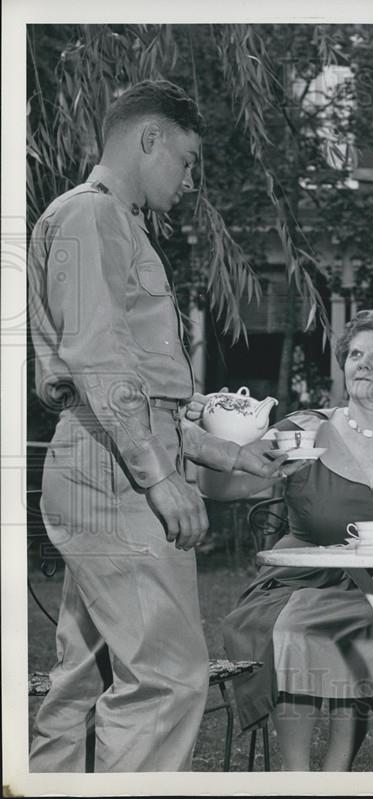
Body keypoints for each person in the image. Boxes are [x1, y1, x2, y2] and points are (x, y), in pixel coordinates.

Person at [26, 80, 284, 772]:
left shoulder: (105, 221)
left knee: (82, 677)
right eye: (188, 159)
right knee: (166, 681)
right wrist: (161, 478)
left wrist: (232, 457)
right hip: (115, 476)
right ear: (149, 140)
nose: (190, 178)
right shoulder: (91, 218)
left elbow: (142, 399)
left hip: (102, 462)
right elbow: (102, 365)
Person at [210, 310, 373, 771]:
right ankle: (296, 770)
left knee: (365, 623)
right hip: (294, 584)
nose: (362, 363)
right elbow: (219, 490)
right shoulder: (303, 430)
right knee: (305, 625)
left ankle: (337, 768)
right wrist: (220, 441)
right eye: (354, 355)